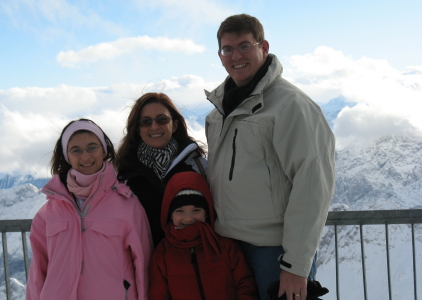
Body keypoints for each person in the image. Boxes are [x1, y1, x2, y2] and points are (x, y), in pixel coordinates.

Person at [204, 14, 336, 300]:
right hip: (228, 248)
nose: (235, 56)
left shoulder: (291, 106)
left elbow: (313, 185)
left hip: (273, 253)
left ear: (263, 47)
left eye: (244, 46)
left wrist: (296, 265)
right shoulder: (217, 114)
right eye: (228, 49)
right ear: (219, 55)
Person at [26, 118, 152, 300]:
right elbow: (38, 271)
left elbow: (143, 265)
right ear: (67, 156)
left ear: (104, 150)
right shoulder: (48, 213)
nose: (85, 156)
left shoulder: (127, 204)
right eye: (76, 150)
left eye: (92, 147)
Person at [115, 92, 207, 247]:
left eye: (162, 119)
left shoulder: (199, 167)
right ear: (137, 129)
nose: (154, 126)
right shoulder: (124, 177)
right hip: (146, 264)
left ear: (175, 125)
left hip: (195, 262)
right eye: (145, 122)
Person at [149, 171, 258, 300]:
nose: (188, 218)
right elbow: (158, 294)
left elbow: (244, 285)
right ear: (169, 214)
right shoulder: (162, 253)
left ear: (207, 213)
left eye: (196, 210)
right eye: (180, 211)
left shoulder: (226, 246)